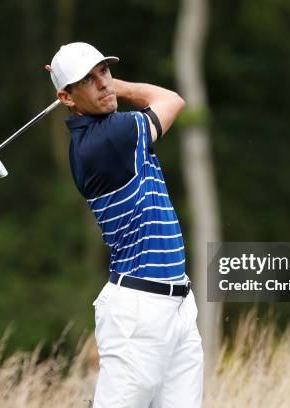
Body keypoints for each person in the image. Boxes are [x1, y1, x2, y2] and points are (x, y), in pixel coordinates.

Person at [47, 42, 204, 407]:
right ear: (66, 98)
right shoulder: (109, 139)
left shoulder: (106, 131)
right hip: (139, 313)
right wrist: (121, 87)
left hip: (178, 304)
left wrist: (90, 85)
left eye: (105, 72)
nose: (103, 84)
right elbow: (172, 100)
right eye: (88, 80)